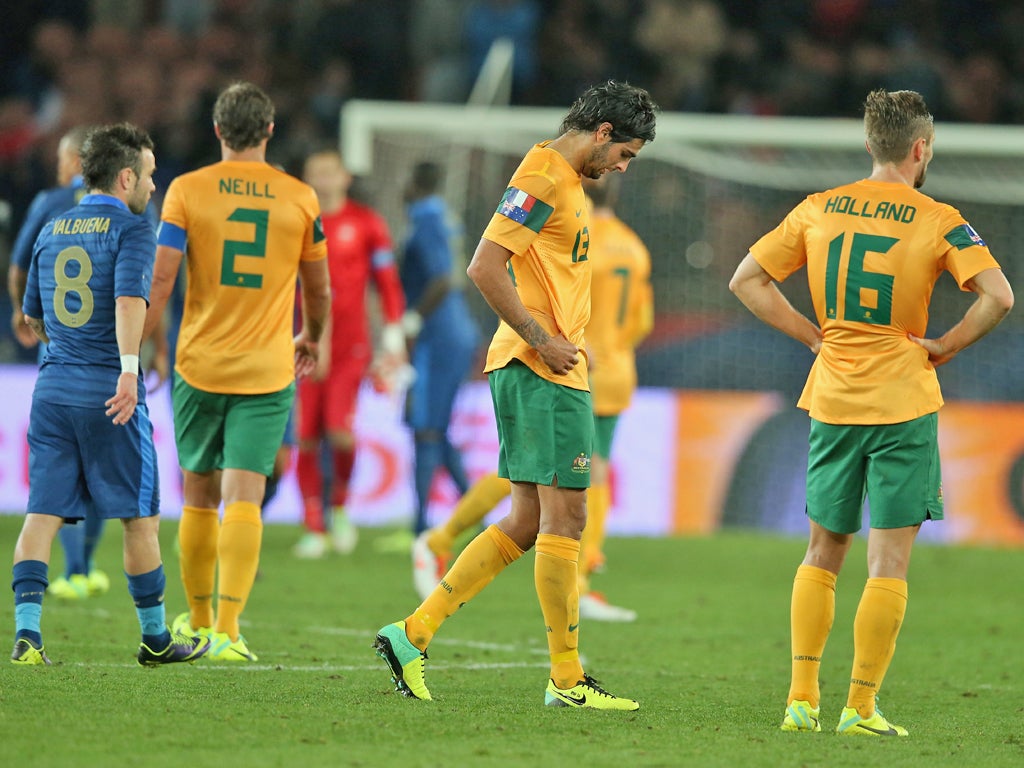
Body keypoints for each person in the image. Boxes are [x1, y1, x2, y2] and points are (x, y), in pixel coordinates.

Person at [729, 89, 1013, 736]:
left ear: (869, 145)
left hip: (831, 398)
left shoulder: (817, 209)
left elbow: (746, 280)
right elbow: (998, 296)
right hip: (905, 402)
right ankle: (859, 707)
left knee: (822, 549)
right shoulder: (939, 218)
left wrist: (810, 335)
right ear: (921, 149)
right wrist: (942, 346)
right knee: (888, 562)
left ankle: (801, 700)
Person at [374, 79, 658, 710]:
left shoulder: (562, 181)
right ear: (603, 132)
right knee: (568, 519)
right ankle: (566, 679)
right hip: (542, 367)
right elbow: (483, 264)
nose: (622, 167)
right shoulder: (546, 175)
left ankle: (411, 634)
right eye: (625, 154)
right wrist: (540, 337)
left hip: (539, 367)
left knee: (529, 520)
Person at [410, 173, 654, 626]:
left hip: (577, 361)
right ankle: (442, 542)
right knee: (569, 474)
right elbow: (642, 321)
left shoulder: (574, 233)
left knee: (541, 474)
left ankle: (444, 542)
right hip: (613, 370)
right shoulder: (635, 248)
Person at [143, 82, 331, 662]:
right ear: (270, 132)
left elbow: (162, 280)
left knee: (198, 497)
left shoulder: (186, 192)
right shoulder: (300, 198)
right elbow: (319, 286)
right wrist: (313, 336)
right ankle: (228, 630)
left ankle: (198, 623)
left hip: (199, 364)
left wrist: (142, 344)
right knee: (244, 497)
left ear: (218, 131)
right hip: (266, 371)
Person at [12, 122, 209, 666]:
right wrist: (127, 369)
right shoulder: (133, 229)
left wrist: (68, 351)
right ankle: (154, 638)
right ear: (125, 177)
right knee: (139, 517)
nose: (152, 184)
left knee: (42, 514)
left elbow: (32, 316)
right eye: (147, 174)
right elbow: (129, 301)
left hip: (51, 390)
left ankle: (27, 635)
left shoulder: (53, 226)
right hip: (109, 391)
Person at [7, 125, 114, 602]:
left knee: (64, 470)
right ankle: (84, 567)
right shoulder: (128, 211)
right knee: (103, 471)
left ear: (76, 161)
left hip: (60, 357)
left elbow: (18, 267)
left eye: (60, 160)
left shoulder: (49, 204)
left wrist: (21, 313)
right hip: (110, 358)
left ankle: (72, 570)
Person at [292, 148, 406, 559]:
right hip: (305, 342)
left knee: (339, 432)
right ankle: (313, 527)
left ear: (344, 177)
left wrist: (393, 337)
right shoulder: (297, 221)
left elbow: (388, 283)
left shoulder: (366, 223)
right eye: (314, 172)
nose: (322, 180)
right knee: (305, 436)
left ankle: (339, 508)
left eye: (329, 172)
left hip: (351, 346)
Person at [399, 161, 479, 545]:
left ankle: (419, 528)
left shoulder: (426, 217)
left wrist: (413, 319)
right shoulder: (446, 216)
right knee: (435, 427)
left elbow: (443, 278)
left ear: (415, 183)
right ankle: (475, 515)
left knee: (426, 428)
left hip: (439, 334)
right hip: (456, 330)